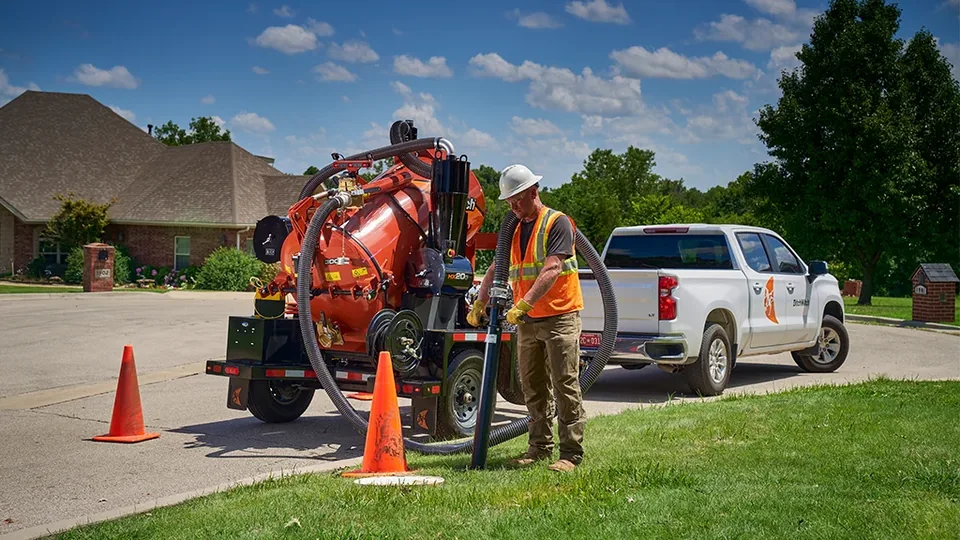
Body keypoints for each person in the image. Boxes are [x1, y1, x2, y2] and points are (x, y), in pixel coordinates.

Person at [467, 163, 585, 472]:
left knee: (564, 384)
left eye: (517, 199)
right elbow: (497, 266)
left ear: (534, 191)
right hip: (528, 322)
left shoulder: (557, 223)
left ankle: (570, 453)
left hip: (559, 316)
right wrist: (479, 302)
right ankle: (539, 447)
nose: (513, 206)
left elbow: (552, 268)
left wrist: (523, 305)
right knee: (533, 387)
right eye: (509, 201)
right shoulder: (514, 227)